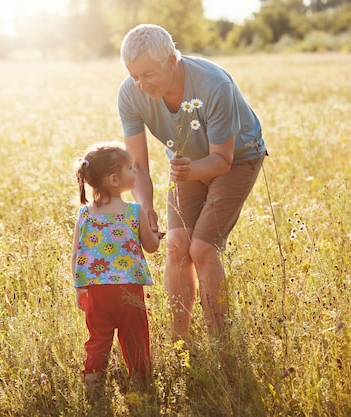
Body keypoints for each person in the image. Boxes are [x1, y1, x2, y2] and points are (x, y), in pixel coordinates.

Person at [118, 24, 267, 341]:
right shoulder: (129, 94)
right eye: (134, 76)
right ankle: (179, 342)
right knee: (175, 246)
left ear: (171, 61)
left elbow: (222, 161)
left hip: (237, 158)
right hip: (185, 162)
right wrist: (146, 207)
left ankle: (218, 340)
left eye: (148, 74)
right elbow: (138, 165)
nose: (141, 84)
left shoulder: (214, 85)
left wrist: (188, 170)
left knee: (202, 248)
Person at [71, 142, 162, 397]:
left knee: (98, 339)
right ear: (114, 179)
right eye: (130, 168)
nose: (135, 172)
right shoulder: (134, 212)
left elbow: (77, 253)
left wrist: (80, 287)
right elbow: (151, 247)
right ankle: (142, 387)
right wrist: (155, 234)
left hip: (97, 291)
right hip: (128, 290)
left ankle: (92, 389)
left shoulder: (85, 215)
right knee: (135, 337)